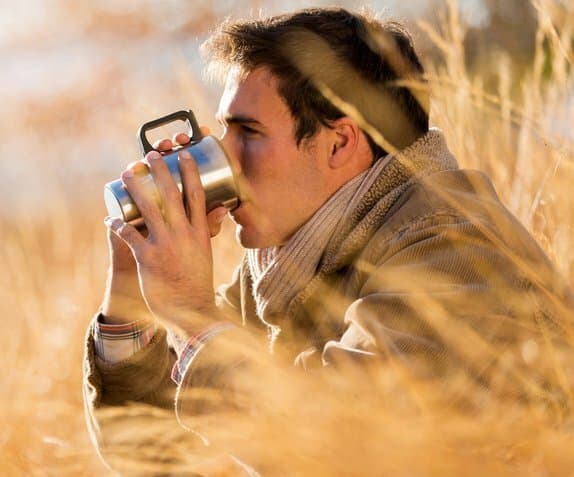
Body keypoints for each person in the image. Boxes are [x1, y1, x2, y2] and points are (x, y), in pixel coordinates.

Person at [82, 7, 574, 475]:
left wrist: (191, 313)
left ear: (339, 142)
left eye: (248, 132)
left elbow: (342, 449)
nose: (224, 158)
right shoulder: (289, 261)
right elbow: (153, 456)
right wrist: (131, 289)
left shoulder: (454, 252)